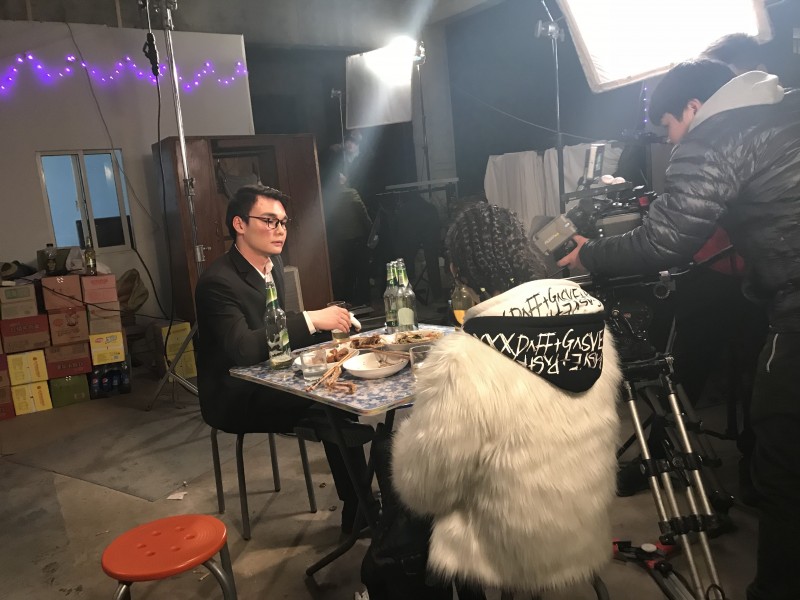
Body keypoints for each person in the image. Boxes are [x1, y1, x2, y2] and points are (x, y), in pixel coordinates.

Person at [557, 59, 800, 600]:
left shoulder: (717, 132)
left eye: (668, 125)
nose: (670, 139)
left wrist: (589, 254)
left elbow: (663, 241)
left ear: (693, 107)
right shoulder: (785, 105)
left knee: (784, 464)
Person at [390, 204, 621, 598]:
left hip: (507, 545)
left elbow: (423, 490)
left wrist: (407, 431)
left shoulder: (466, 359)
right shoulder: (594, 330)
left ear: (458, 273)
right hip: (583, 526)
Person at [195, 183, 369, 533]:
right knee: (331, 403)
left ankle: (362, 503)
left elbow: (276, 329)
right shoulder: (218, 282)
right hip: (236, 394)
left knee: (340, 385)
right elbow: (244, 349)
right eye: (269, 221)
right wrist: (311, 319)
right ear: (239, 224)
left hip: (274, 375)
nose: (280, 230)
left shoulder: (272, 265)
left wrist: (328, 330)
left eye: (284, 222)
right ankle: (361, 509)